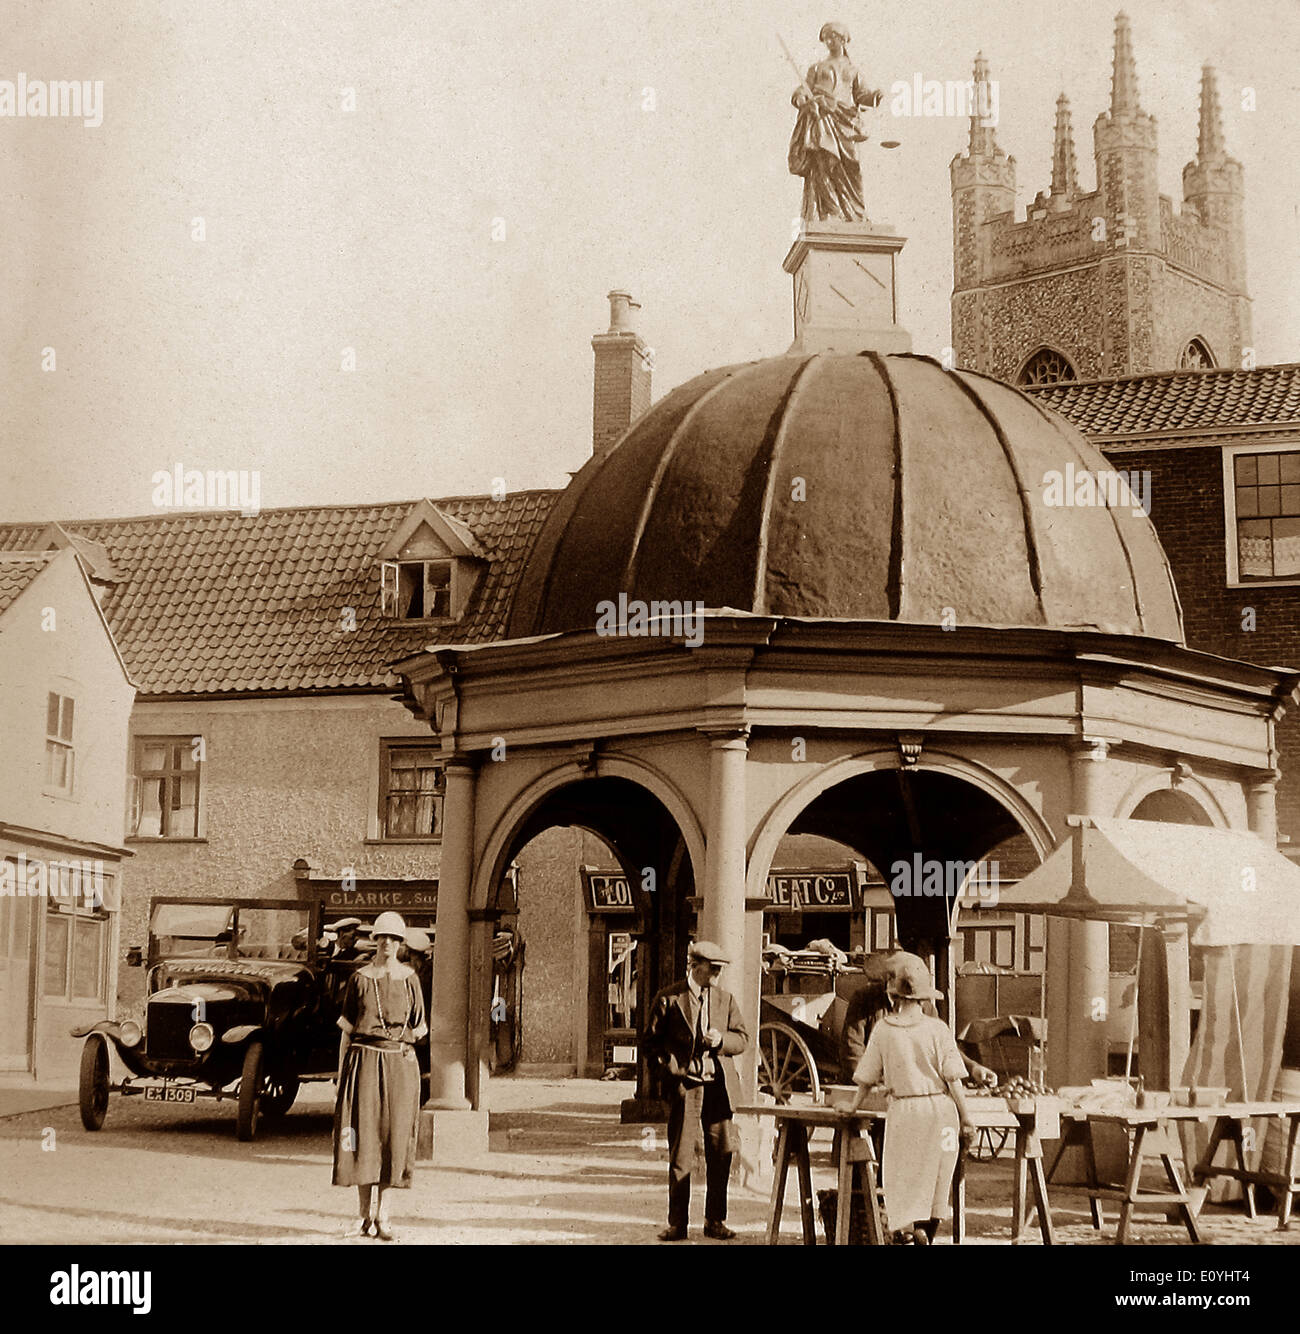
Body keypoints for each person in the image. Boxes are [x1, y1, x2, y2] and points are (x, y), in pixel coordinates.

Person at [850, 952, 975, 1245]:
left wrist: (853, 1106)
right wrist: (967, 1118)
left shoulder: (884, 1029)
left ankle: (907, 1233)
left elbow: (866, 1078)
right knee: (938, 1176)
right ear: (924, 999)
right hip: (943, 1114)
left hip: (905, 1113)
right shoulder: (938, 1029)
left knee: (902, 1177)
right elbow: (953, 1078)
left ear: (894, 997)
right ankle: (926, 1235)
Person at [643, 940, 749, 1242]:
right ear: (694, 966)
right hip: (685, 1087)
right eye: (713, 969)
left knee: (722, 1154)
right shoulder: (668, 999)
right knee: (681, 1156)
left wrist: (720, 1041)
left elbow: (742, 1039)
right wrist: (671, 1072)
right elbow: (650, 1045)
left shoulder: (725, 1000)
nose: (717, 975)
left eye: (720, 970)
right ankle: (678, 1224)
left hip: (718, 1088)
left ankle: (714, 1221)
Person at [333, 911, 427, 1241]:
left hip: (400, 1065)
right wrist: (341, 1072)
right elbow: (346, 1033)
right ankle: (362, 1217)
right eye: (382, 937)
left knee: (393, 1138)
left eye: (394, 938)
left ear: (401, 943)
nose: (388, 943)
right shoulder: (359, 978)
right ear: (374, 940)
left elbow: (419, 1028)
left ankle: (383, 1216)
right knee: (362, 1136)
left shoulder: (410, 979)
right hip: (362, 1062)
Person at [788, 22, 882, 222]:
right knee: (824, 163)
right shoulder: (817, 68)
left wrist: (875, 96)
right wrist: (801, 98)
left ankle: (855, 213)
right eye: (826, 38)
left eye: (833, 37)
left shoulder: (853, 69)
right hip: (822, 117)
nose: (829, 41)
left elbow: (862, 94)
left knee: (852, 164)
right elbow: (803, 90)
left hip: (845, 120)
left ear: (843, 39)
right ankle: (831, 211)